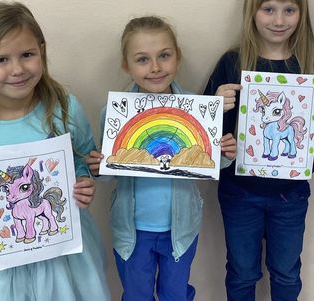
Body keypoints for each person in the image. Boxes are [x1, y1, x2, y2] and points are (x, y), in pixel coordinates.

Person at [0, 2, 110, 301]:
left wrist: (84, 181)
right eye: (0, 59)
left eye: (27, 55)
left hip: (63, 255)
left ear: (42, 51)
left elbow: (82, 159)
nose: (17, 69)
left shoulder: (64, 109)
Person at [203, 0, 314, 301]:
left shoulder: (309, 61)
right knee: (242, 272)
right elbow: (206, 131)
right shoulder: (233, 62)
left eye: (289, 10)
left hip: (290, 193)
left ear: (301, 13)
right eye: (268, 9)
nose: (279, 20)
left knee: (286, 271)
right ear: (252, 11)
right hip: (239, 191)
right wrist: (216, 103)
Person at [86, 16, 236, 301]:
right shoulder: (114, 112)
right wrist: (98, 167)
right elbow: (110, 170)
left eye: (164, 56)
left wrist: (225, 154)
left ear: (177, 57)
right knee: (137, 294)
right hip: (132, 232)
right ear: (126, 65)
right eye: (142, 59)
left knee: (175, 294)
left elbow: (205, 161)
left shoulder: (197, 110)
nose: (155, 67)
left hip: (180, 229)